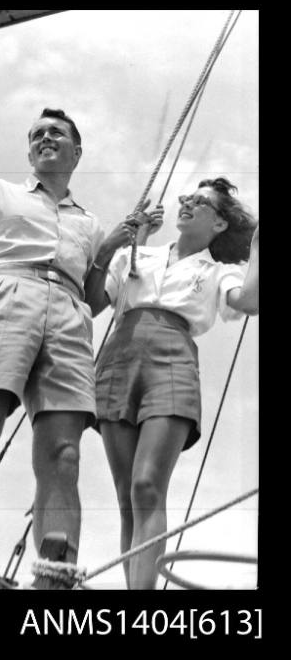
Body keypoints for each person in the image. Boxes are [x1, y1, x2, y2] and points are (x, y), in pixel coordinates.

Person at [0, 108, 140, 581]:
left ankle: (55, 582)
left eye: (56, 133)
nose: (44, 138)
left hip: (68, 310)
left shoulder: (91, 225)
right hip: (4, 298)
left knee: (65, 454)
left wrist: (113, 253)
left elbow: (94, 299)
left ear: (76, 153)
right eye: (37, 134)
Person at [85, 177, 259, 589]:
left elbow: (250, 302)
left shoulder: (219, 272)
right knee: (127, 495)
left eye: (200, 202)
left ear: (218, 224)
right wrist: (117, 243)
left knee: (147, 486)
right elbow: (91, 304)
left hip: (173, 360)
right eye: (186, 198)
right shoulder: (137, 255)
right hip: (118, 359)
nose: (187, 203)